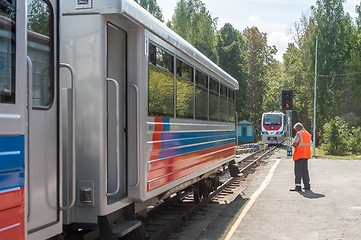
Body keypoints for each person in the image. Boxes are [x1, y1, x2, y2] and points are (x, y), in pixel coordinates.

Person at [290, 122, 312, 192]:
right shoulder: (308, 134)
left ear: (299, 128)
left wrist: (292, 145)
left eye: (296, 129)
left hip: (299, 155)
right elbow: (309, 143)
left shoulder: (299, 134)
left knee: (298, 171)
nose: (296, 130)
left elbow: (296, 143)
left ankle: (298, 186)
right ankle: (307, 186)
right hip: (306, 154)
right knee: (305, 171)